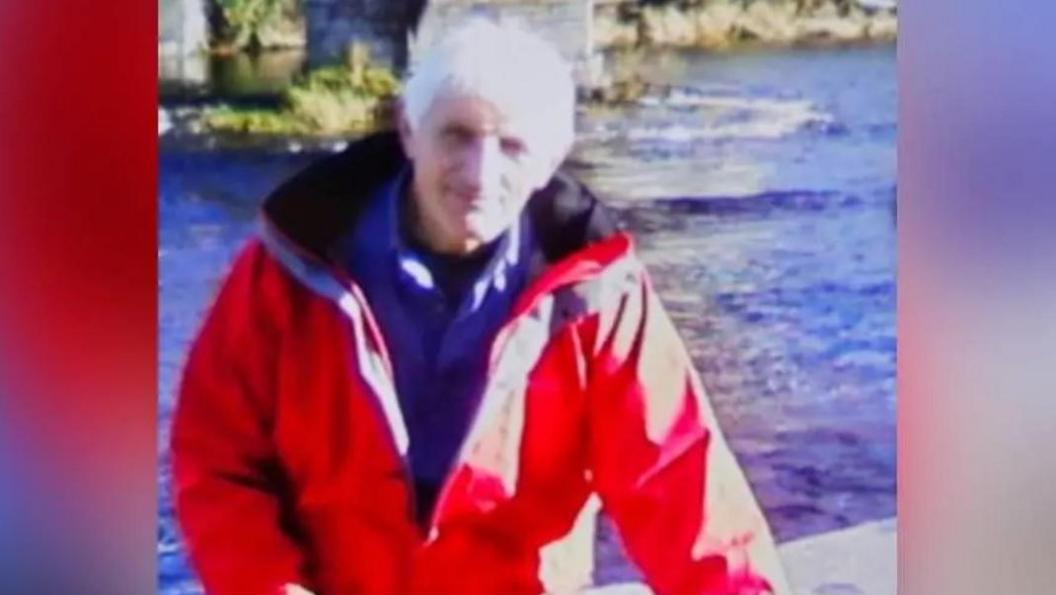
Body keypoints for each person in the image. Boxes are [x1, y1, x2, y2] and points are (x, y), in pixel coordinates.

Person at [171, 18, 791, 595]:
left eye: (513, 146)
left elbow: (680, 480)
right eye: (457, 135)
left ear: (550, 161)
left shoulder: (596, 296)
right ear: (409, 132)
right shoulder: (295, 265)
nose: (479, 172)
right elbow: (216, 451)